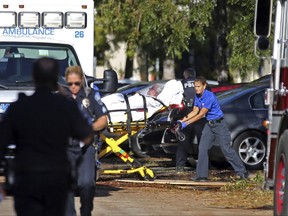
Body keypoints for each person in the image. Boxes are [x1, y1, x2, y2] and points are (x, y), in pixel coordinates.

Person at [0, 57, 93, 216]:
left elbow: (1, 143)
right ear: (56, 78)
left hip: (27, 179)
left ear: (34, 78)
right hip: (56, 179)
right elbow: (86, 135)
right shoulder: (65, 106)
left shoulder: (19, 107)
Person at [178, 76, 248, 181]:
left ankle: (242, 172)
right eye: (195, 86)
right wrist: (181, 121)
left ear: (204, 86)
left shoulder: (209, 96)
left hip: (219, 124)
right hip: (209, 125)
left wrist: (186, 123)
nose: (196, 89)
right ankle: (201, 176)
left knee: (226, 150)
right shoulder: (197, 96)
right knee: (202, 148)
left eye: (198, 86)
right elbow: (194, 111)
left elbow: (201, 114)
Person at [64, 66, 108, 216]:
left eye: (76, 83)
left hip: (86, 146)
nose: (74, 87)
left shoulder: (90, 96)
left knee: (87, 184)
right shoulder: (61, 98)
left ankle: (86, 211)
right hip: (66, 147)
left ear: (82, 81)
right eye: (70, 84)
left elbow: (103, 119)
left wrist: (90, 128)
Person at [175, 68, 207, 172]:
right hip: (200, 115)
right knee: (202, 141)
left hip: (186, 114)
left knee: (183, 141)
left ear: (185, 75)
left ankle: (180, 165)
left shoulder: (181, 84)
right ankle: (204, 165)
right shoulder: (201, 83)